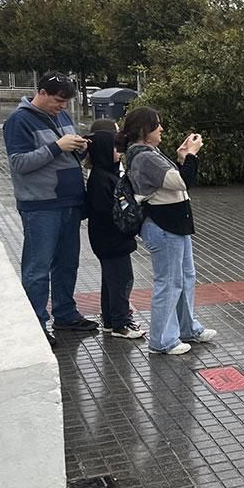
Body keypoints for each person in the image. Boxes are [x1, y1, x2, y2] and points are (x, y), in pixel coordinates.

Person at [3, 71, 99, 345]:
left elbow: (68, 152)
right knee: (37, 267)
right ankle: (35, 325)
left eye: (66, 102)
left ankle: (65, 315)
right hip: (41, 206)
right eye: (58, 100)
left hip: (70, 201)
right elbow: (18, 164)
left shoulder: (63, 117)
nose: (63, 107)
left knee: (67, 263)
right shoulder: (18, 121)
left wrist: (80, 147)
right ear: (41, 93)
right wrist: (57, 147)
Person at [118, 107, 217, 355]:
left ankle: (187, 328)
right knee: (169, 283)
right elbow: (182, 181)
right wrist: (191, 156)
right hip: (163, 226)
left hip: (175, 224)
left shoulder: (151, 152)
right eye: (157, 125)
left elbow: (173, 179)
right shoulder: (144, 157)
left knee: (185, 278)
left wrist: (182, 155)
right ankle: (162, 340)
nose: (161, 129)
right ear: (144, 130)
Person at [84, 119, 143, 340]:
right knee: (122, 280)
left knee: (111, 280)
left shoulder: (102, 175)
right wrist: (130, 224)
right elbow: (109, 211)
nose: (120, 153)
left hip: (107, 240)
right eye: (115, 149)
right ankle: (121, 322)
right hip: (112, 240)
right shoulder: (102, 179)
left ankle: (110, 320)